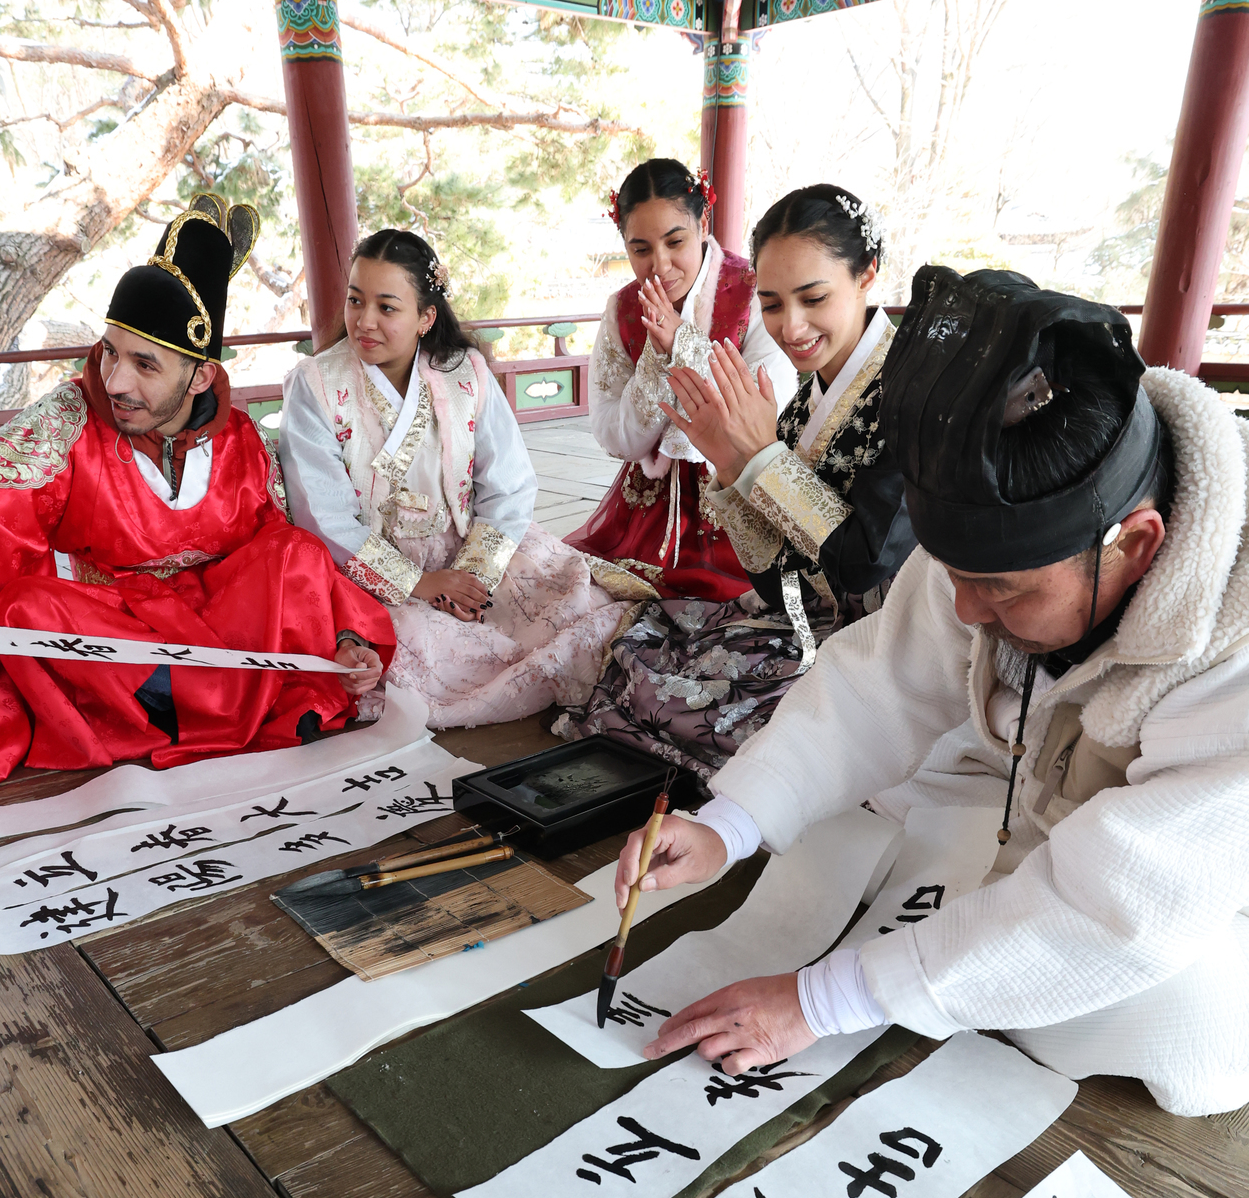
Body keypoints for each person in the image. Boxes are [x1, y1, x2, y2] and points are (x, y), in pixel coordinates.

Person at [613, 266, 1249, 1119]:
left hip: (1205, 866)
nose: (964, 609)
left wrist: (822, 1000)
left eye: (1004, 592)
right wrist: (726, 825)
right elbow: (883, 678)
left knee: (1183, 1013)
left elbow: (1125, 899)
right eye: (955, 575)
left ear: (1137, 544)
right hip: (1038, 792)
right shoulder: (1005, 555)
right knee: (859, 806)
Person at [0, 195, 392, 796]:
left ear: (201, 375)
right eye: (110, 351)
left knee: (295, 552)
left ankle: (229, 704)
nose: (115, 381)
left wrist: (344, 638)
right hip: (117, 634)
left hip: (221, 626)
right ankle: (189, 718)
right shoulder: (68, 419)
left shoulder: (240, 440)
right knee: (25, 610)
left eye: (144, 364)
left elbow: (293, 564)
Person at [557, 185, 912, 785]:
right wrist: (731, 465)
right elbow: (778, 579)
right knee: (641, 666)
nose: (790, 326)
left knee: (731, 717)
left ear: (868, 273)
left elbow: (864, 564)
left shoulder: (910, 395)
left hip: (893, 639)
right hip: (807, 618)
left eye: (813, 297)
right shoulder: (807, 401)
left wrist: (762, 457)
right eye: (771, 304)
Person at [280, 227, 650, 729]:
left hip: (468, 551)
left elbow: (509, 483)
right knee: (409, 650)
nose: (364, 321)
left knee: (576, 599)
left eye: (387, 307)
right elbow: (322, 517)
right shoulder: (316, 383)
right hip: (368, 574)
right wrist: (420, 583)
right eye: (354, 300)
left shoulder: (465, 372)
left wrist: (474, 574)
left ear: (425, 318)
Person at [565, 157, 796, 602]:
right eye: (641, 249)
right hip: (647, 507)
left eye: (675, 241)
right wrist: (657, 359)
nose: (660, 265)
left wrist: (682, 345)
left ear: (703, 222)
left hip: (741, 494)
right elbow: (617, 437)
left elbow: (767, 401)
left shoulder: (754, 290)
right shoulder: (622, 309)